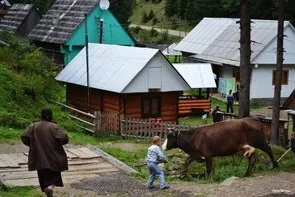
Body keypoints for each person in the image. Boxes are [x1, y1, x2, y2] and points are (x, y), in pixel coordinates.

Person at [21, 109, 68, 197]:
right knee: (55, 175)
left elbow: (24, 137)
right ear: (50, 115)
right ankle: (50, 188)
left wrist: (32, 145)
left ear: (41, 115)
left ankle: (47, 189)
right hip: (53, 156)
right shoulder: (54, 127)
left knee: (43, 174)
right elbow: (64, 138)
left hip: (39, 157)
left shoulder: (33, 126)